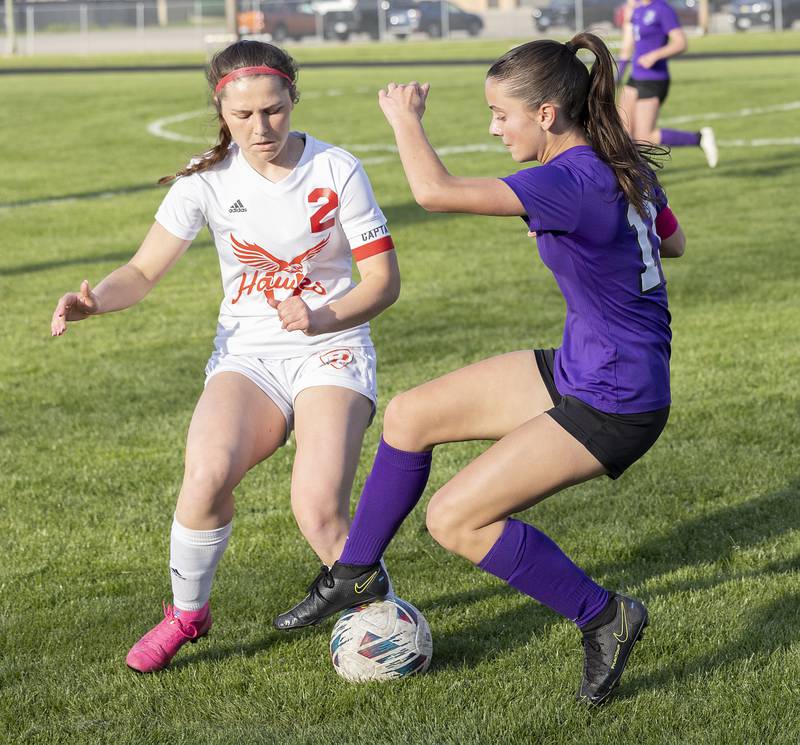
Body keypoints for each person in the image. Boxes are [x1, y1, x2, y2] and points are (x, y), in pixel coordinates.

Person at [273, 33, 686, 706]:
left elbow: (434, 192)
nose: (494, 127)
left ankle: (605, 616)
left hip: (618, 397)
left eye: (502, 114)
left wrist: (405, 118)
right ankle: (354, 573)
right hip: (591, 363)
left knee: (455, 519)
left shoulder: (571, 178)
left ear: (547, 114)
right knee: (411, 414)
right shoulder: (616, 164)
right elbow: (672, 238)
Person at [50, 40, 400, 673]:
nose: (260, 128)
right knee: (206, 472)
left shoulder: (337, 170)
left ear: (294, 97)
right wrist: (95, 302)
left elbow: (383, 285)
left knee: (317, 506)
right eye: (243, 117)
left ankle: (385, 626)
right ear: (221, 109)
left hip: (332, 348)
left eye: (273, 111)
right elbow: (143, 269)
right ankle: (188, 613)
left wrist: (322, 316)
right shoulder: (205, 179)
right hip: (248, 357)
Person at [618, 0, 718, 168]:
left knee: (644, 137)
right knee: (621, 131)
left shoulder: (662, 9)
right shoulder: (636, 10)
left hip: (654, 79)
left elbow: (681, 42)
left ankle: (699, 138)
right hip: (635, 77)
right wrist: (619, 73)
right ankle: (630, 178)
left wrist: (655, 55)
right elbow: (627, 45)